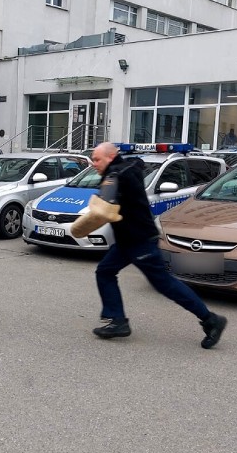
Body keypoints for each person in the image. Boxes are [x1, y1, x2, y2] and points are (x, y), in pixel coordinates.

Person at [89, 142, 228, 349]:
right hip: (127, 240)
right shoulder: (121, 170)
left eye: (97, 159)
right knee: (105, 271)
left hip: (140, 240)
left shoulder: (118, 175)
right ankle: (118, 321)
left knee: (165, 284)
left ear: (110, 157)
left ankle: (211, 320)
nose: (93, 163)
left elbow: (106, 202)